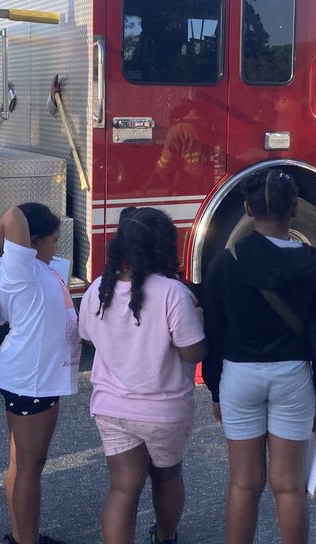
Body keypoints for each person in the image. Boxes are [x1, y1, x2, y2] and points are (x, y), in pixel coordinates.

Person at [202, 169, 316, 544]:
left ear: (247, 208)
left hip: (238, 376)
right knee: (289, 488)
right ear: (294, 209)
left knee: (243, 484)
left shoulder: (226, 260)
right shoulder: (312, 264)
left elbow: (214, 332)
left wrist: (215, 389)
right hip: (292, 378)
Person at [78, 207, 206, 544]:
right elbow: (192, 352)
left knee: (122, 489)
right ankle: (164, 537)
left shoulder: (96, 292)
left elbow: (88, 336)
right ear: (164, 247)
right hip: (164, 412)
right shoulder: (174, 294)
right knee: (166, 478)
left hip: (112, 408)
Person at [0, 204, 81, 544]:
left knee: (22, 461)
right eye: (53, 240)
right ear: (31, 242)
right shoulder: (19, 268)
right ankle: (25, 540)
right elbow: (14, 214)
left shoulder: (27, 267)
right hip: (32, 379)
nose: (56, 248)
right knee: (30, 466)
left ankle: (20, 535)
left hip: (32, 375)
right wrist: (5, 245)